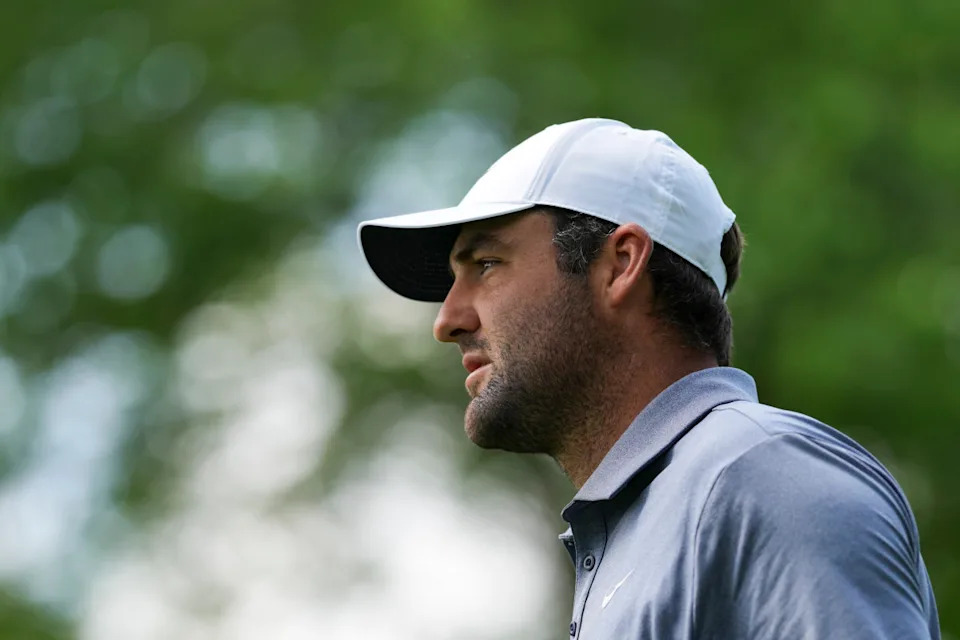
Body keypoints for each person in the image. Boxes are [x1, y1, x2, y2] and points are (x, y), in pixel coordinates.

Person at [356, 118, 940, 639]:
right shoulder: (650, 523)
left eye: (486, 264)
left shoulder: (761, 476)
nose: (447, 321)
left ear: (621, 264)